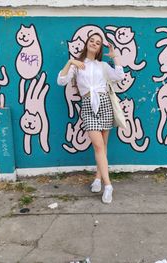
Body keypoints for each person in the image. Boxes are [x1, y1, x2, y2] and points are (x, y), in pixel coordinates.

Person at [57, 33, 124, 203]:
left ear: (100, 47)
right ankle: (108, 185)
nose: (94, 44)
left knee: (103, 146)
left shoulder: (102, 65)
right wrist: (71, 61)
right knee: (98, 145)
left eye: (98, 42)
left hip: (104, 104)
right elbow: (61, 81)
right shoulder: (78, 65)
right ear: (86, 43)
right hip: (88, 105)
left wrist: (114, 55)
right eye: (92, 41)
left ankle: (97, 178)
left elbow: (119, 76)